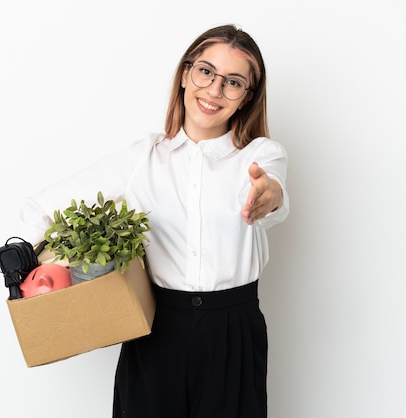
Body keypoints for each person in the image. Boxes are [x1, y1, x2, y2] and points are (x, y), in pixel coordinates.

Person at [17, 24, 289, 418]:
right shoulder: (141, 159)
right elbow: (40, 206)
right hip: (157, 329)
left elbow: (274, 193)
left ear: (247, 97)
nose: (214, 90)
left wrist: (268, 197)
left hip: (233, 330)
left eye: (233, 82)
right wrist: (20, 265)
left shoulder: (262, 155)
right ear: (185, 74)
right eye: (205, 72)